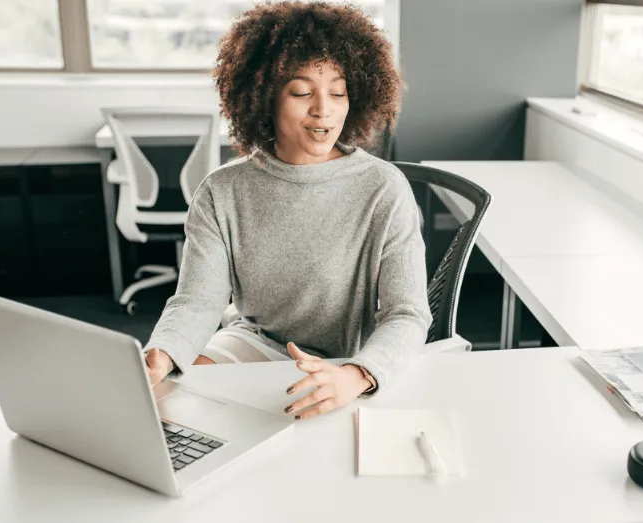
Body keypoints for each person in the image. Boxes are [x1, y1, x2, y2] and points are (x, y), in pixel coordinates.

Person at [142, 1, 431, 420]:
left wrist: (357, 373)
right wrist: (163, 353)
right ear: (264, 97)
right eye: (301, 92)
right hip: (254, 342)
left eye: (338, 91)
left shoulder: (384, 189)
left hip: (348, 359)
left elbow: (407, 313)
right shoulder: (222, 192)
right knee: (168, 404)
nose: (323, 109)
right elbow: (197, 303)